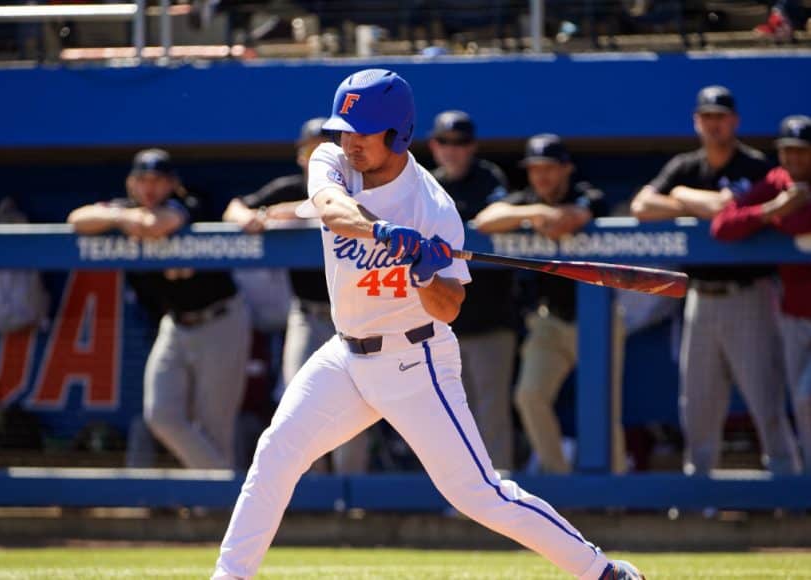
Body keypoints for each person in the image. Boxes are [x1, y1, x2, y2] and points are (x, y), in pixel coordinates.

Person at [212, 68, 643, 580]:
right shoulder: (333, 159)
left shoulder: (434, 208)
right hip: (345, 355)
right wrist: (382, 232)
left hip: (414, 360)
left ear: (397, 134)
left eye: (362, 131)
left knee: (479, 494)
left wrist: (421, 271)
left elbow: (448, 307)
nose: (348, 141)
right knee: (275, 453)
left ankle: (602, 571)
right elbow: (330, 208)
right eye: (343, 129)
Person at [630, 85, 799, 476]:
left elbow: (734, 208)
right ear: (696, 121)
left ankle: (790, 489)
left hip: (749, 294)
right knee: (698, 402)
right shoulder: (686, 168)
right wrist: (692, 199)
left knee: (766, 398)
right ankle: (699, 494)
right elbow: (641, 205)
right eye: (707, 117)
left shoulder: (757, 167)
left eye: (720, 117)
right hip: (699, 297)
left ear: (735, 121)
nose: (714, 124)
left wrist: (702, 204)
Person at [68, 149, 251, 470]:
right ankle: (225, 492)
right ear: (130, 183)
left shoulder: (193, 201)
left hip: (220, 319)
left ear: (173, 184)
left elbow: (161, 223)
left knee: (215, 426)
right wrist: (121, 217)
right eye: (142, 180)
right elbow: (76, 219)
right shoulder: (126, 211)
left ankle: (214, 505)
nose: (150, 188)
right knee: (160, 415)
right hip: (175, 324)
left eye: (158, 180)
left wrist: (131, 221)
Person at [474, 134, 628, 475]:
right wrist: (535, 211)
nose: (541, 177)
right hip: (550, 320)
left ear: (566, 169)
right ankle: (561, 480)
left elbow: (573, 217)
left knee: (603, 408)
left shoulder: (586, 193)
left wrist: (550, 217)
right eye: (535, 169)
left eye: (549, 169)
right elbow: (486, 219)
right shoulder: (528, 200)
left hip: (598, 318)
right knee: (529, 396)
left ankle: (615, 495)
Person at [223, 117, 369, 474]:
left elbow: (327, 210)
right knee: (301, 405)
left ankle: (356, 503)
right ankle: (314, 496)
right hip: (306, 313)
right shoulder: (288, 187)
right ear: (300, 157)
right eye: (310, 150)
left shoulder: (358, 188)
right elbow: (233, 208)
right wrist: (252, 216)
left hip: (354, 317)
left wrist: (286, 213)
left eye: (327, 149)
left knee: (355, 409)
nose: (317, 157)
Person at [711, 114, 811, 472]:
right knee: (800, 404)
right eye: (788, 152)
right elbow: (723, 226)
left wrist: (787, 215)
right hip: (794, 313)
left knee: (806, 398)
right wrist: (773, 210)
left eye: (802, 152)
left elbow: (802, 223)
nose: (795, 160)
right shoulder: (777, 181)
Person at [427, 109, 517, 470]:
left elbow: (497, 215)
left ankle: (500, 496)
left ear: (472, 147)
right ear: (434, 146)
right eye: (445, 143)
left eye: (460, 143)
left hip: (490, 319)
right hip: (441, 325)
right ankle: (460, 496)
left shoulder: (488, 177)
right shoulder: (427, 185)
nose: (452, 150)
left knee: (491, 414)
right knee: (446, 417)